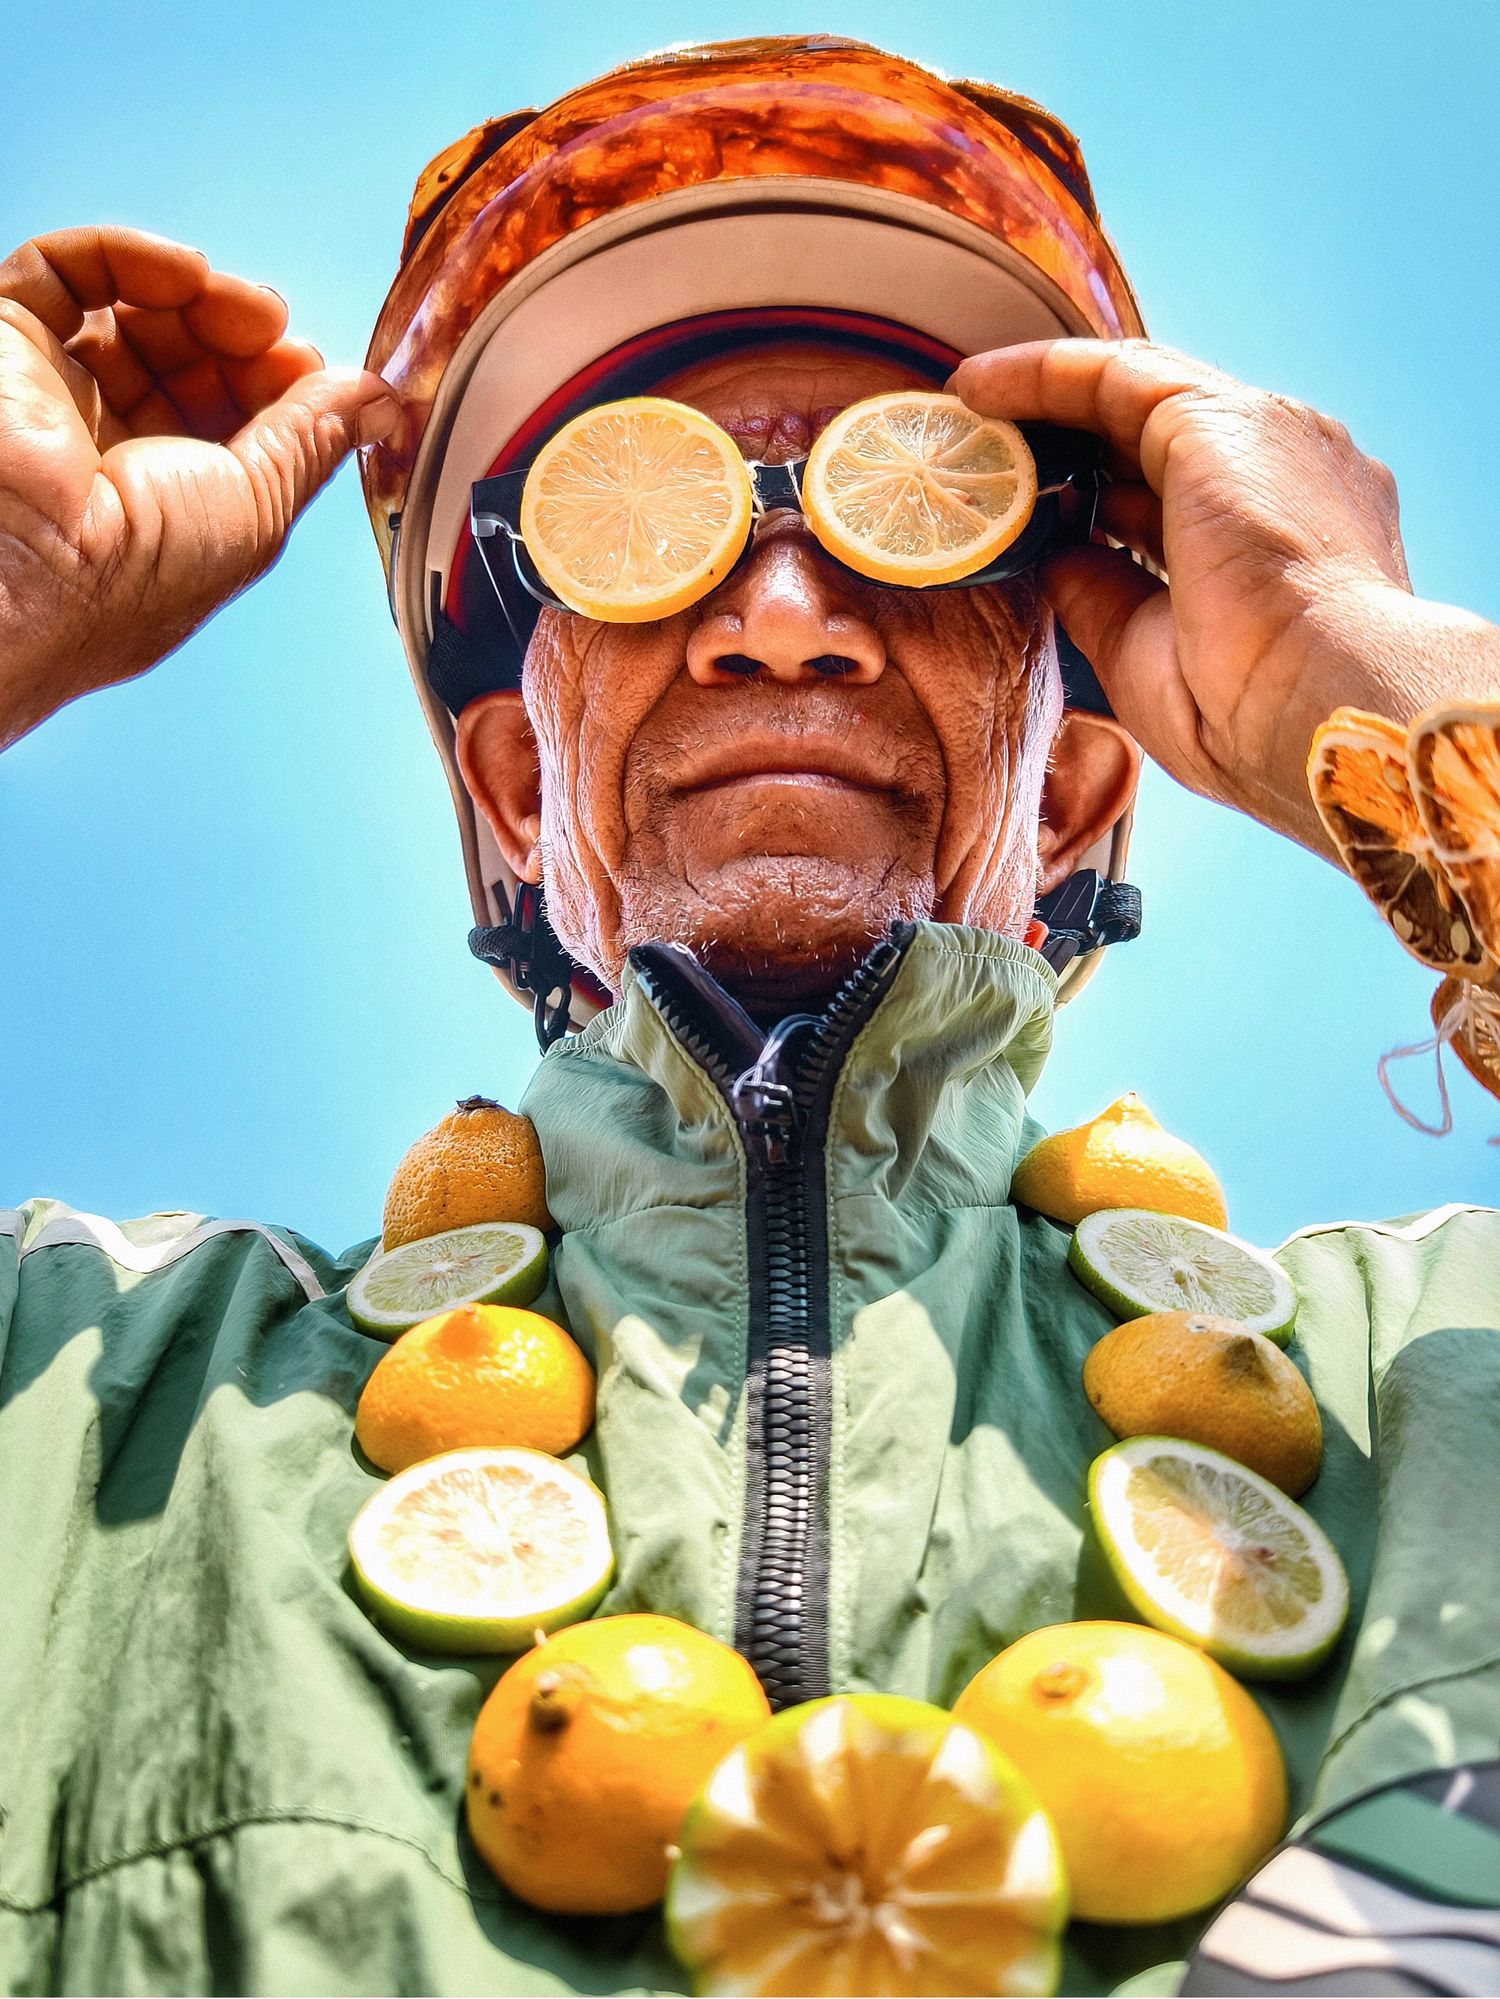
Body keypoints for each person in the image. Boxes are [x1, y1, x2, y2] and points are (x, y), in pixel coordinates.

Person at [1, 36, 1496, 1999]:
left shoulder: (1441, 1387)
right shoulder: (78, 1399)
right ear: (516, 793)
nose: (782, 605)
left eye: (915, 507)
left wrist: (1354, 672)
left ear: (1075, 788)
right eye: (649, 517)